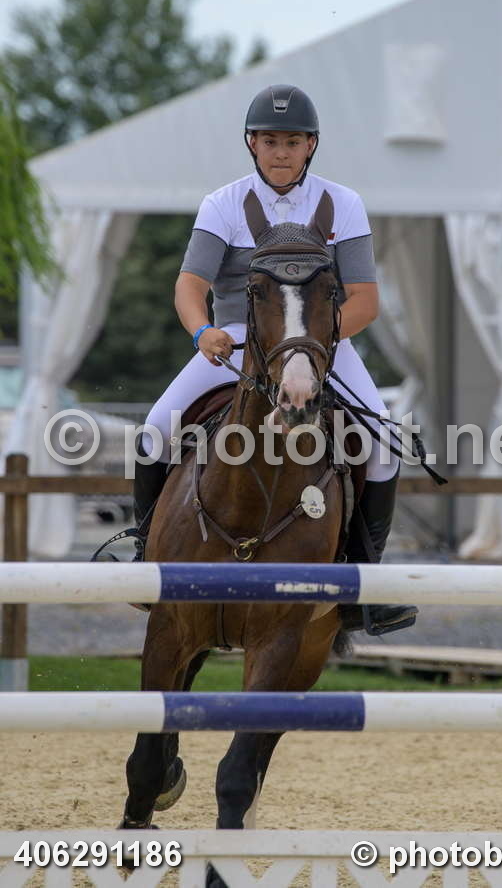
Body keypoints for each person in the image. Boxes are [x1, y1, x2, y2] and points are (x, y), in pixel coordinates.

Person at [135, 84, 415, 635]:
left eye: (291, 142)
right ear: (252, 143)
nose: (280, 153)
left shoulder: (343, 204)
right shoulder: (223, 203)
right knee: (155, 430)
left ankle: (365, 583)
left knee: (383, 444)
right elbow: (190, 286)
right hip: (240, 338)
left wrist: (312, 344)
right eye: (270, 141)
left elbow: (365, 300)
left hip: (321, 340)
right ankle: (146, 558)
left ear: (311, 145)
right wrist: (203, 331)